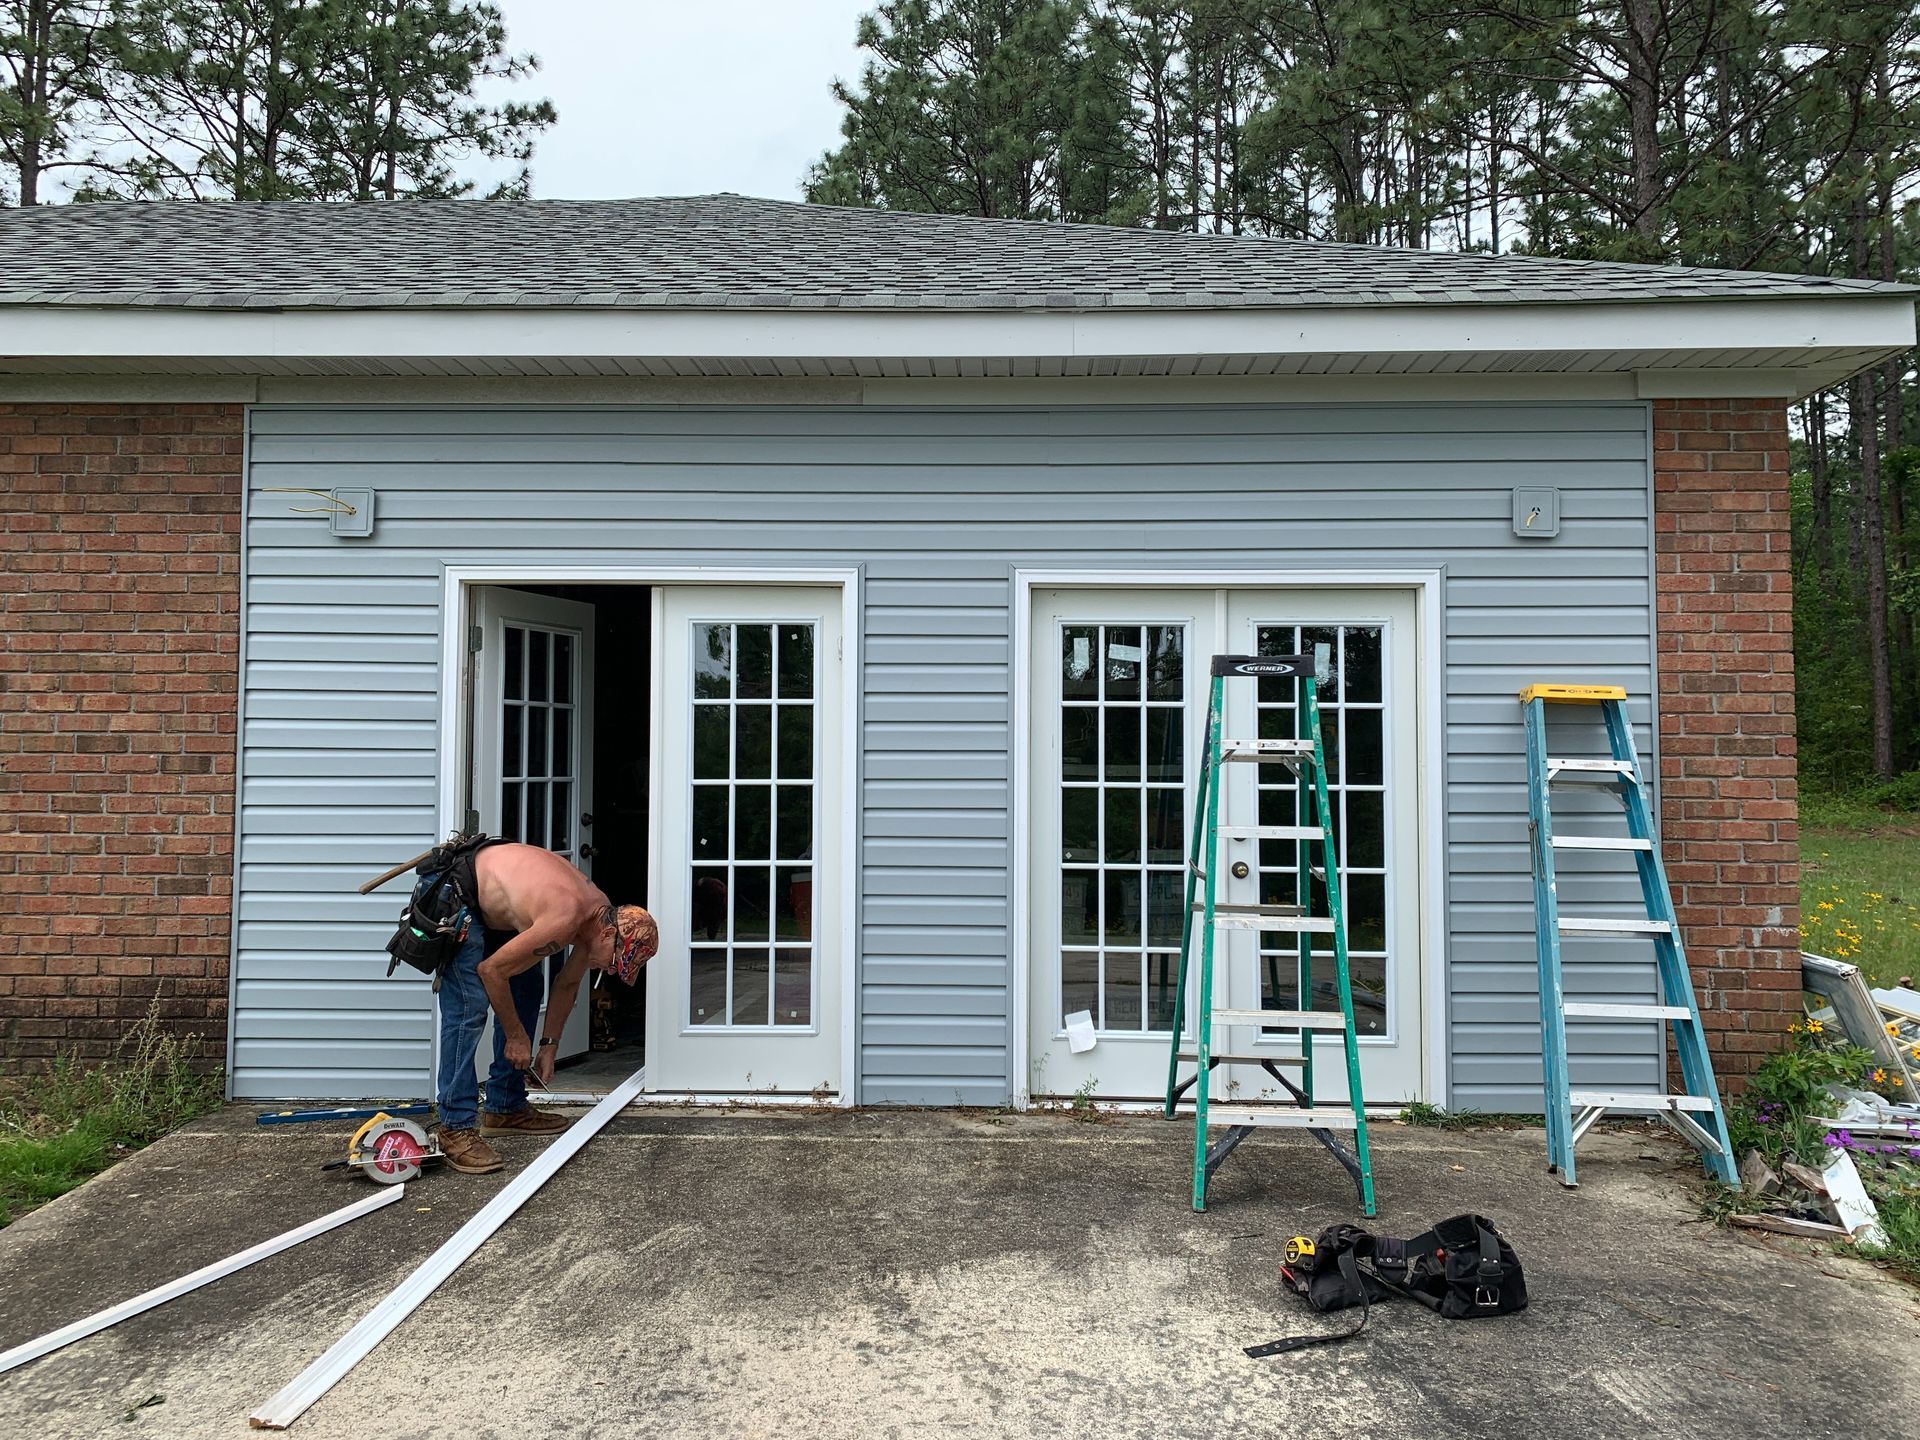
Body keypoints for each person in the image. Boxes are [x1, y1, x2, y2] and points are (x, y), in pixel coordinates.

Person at [430, 840, 657, 1175]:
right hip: (458, 891)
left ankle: (505, 1107)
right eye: (614, 962)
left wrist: (549, 1047)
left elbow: (567, 984)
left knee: (527, 985)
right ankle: (454, 1126)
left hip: (490, 903)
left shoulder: (598, 916)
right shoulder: (566, 918)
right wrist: (516, 1036)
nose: (610, 971)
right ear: (609, 934)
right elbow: (491, 972)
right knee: (469, 1005)